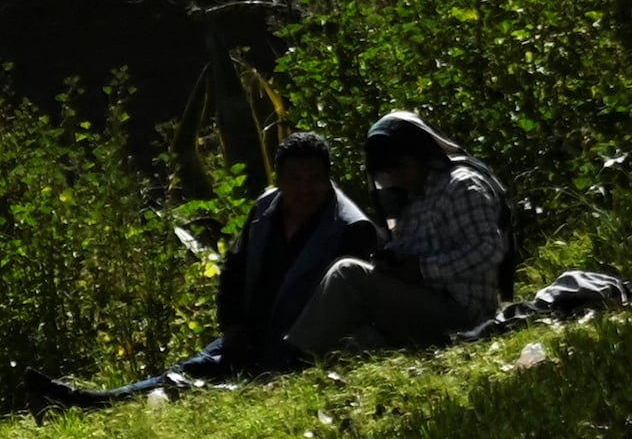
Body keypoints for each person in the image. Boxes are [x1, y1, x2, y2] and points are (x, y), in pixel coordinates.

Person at [288, 111, 512, 363]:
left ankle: (292, 358)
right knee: (352, 338)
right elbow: (409, 250)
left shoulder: (461, 186)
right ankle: (296, 368)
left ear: (420, 156)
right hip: (423, 304)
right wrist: (390, 262)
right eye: (389, 173)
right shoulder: (412, 200)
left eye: (400, 168)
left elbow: (487, 249)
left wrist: (423, 270)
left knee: (347, 273)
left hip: (462, 313)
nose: (396, 178)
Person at [206, 132, 364, 374]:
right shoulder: (264, 209)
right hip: (249, 339)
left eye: (314, 179)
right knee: (175, 377)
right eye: (295, 179)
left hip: (298, 352)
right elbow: (234, 270)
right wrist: (233, 328)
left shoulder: (351, 228)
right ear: (278, 180)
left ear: (328, 179)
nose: (305, 189)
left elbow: (347, 311)